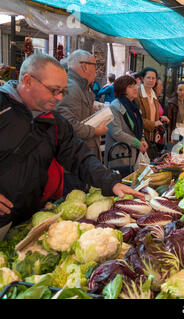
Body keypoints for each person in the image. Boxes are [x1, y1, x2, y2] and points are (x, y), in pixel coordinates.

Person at [0, 53, 144, 230]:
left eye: (62, 91)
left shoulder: (55, 121)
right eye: (54, 90)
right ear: (28, 81)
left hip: (26, 220)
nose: (59, 98)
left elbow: (79, 156)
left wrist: (111, 182)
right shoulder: (3, 108)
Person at [55, 49, 109, 195]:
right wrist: (96, 131)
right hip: (73, 163)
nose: (96, 71)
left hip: (82, 160)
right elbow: (68, 124)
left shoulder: (82, 87)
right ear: (84, 66)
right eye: (94, 65)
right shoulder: (72, 87)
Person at [104, 75, 148, 176]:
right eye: (130, 86)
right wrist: (137, 143)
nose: (135, 88)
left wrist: (142, 139)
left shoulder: (134, 106)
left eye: (135, 85)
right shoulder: (114, 107)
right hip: (120, 155)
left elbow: (139, 126)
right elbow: (116, 132)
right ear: (122, 89)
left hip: (132, 155)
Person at [135, 67, 169, 158]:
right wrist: (153, 123)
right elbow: (136, 118)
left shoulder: (153, 95)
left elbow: (152, 115)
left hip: (152, 138)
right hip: (141, 137)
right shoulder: (137, 94)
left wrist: (160, 118)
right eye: (148, 77)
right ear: (142, 78)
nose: (151, 80)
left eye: (153, 78)